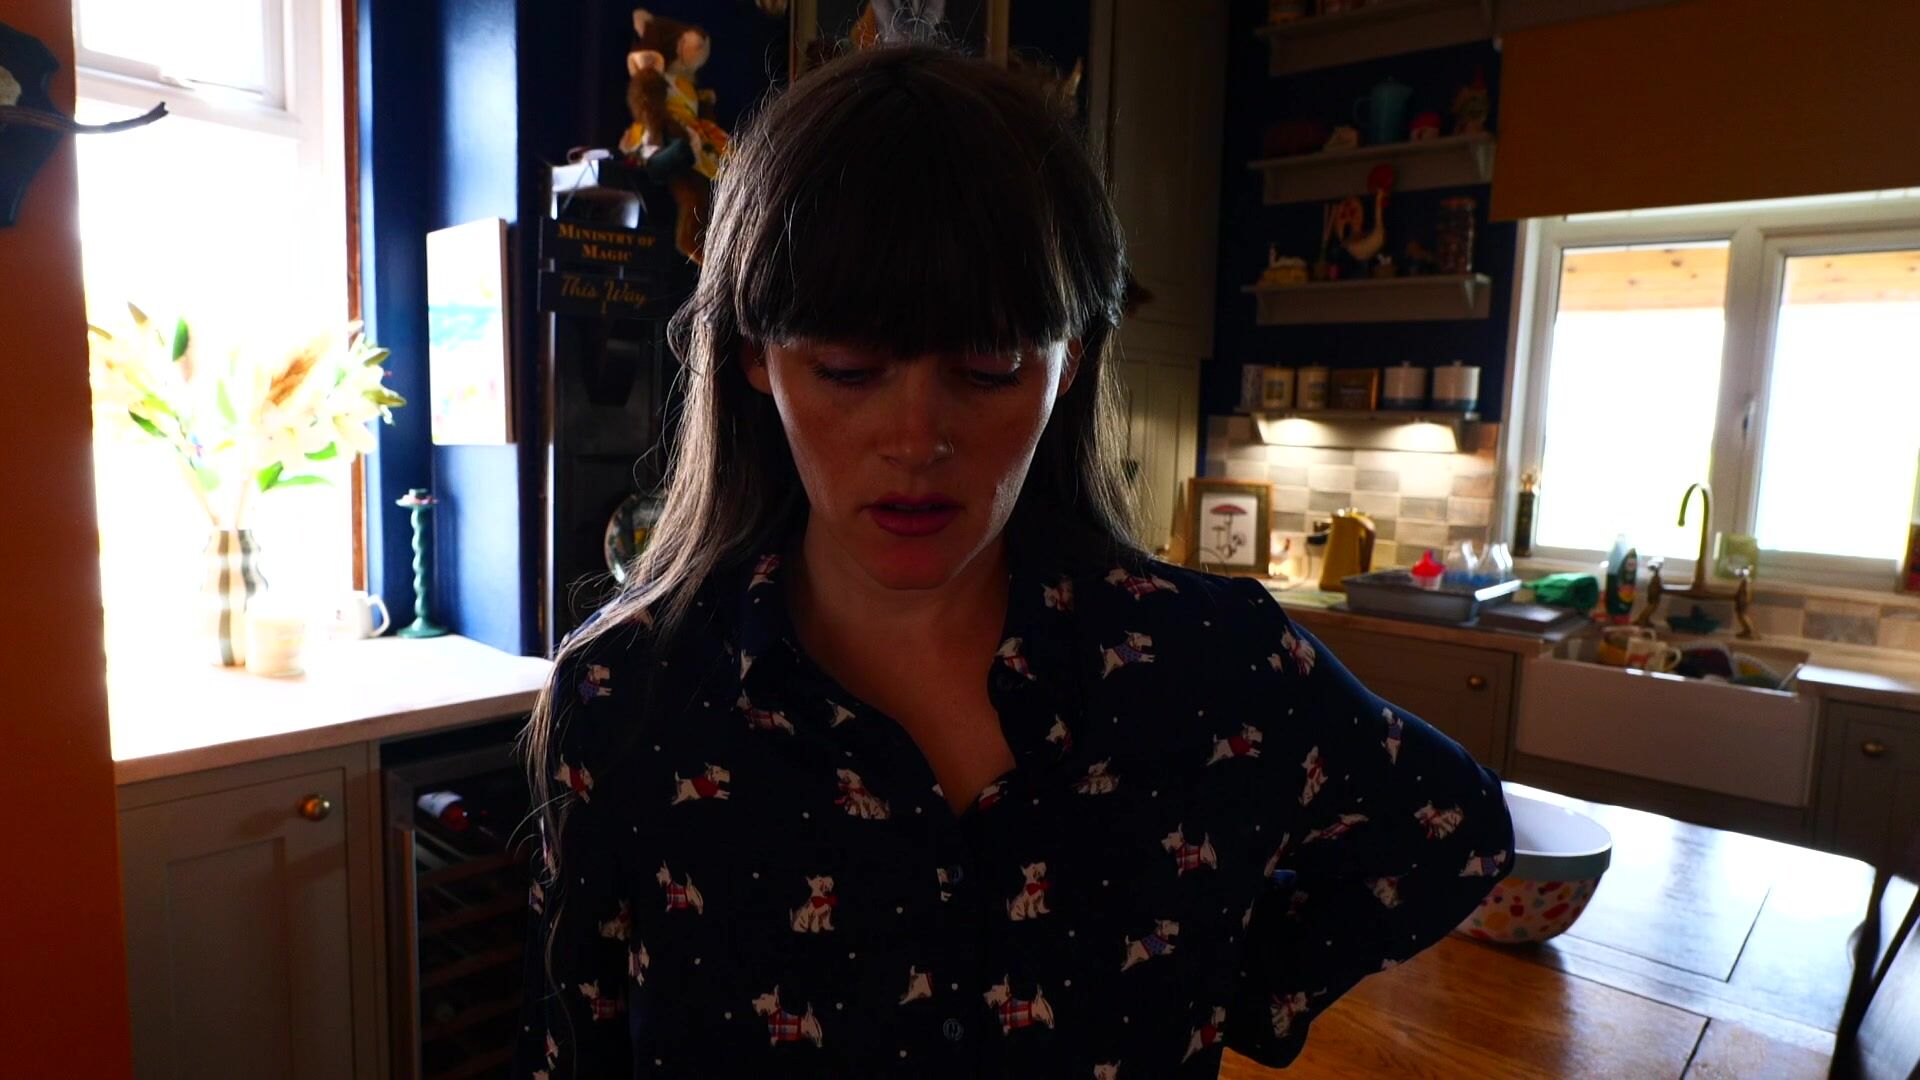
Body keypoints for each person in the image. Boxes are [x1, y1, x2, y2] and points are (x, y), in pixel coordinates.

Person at [513, 41, 1513, 1079]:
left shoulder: (1214, 668)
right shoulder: (630, 695)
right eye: (848, 368)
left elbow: (1454, 833)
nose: (916, 440)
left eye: (988, 368)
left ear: (1069, 359)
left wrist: (1230, 987)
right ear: (754, 358)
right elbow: (566, 1054)